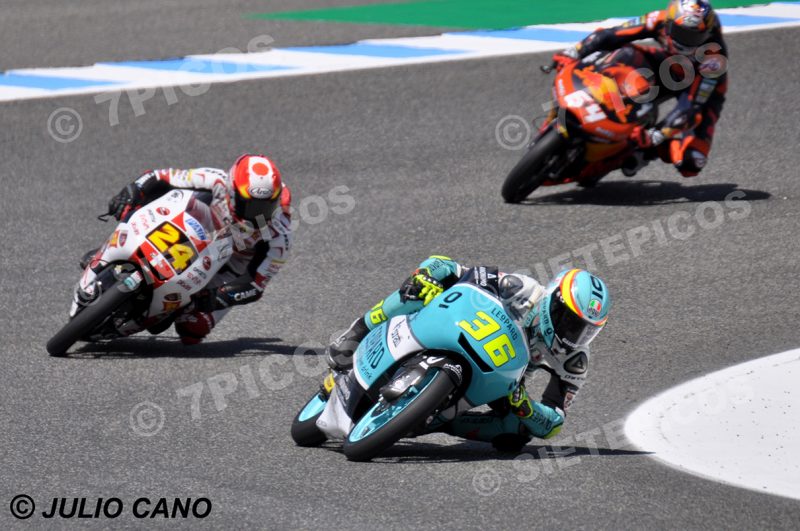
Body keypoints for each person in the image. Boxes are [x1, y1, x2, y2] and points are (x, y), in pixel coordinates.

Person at [325, 256, 612, 451]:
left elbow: (554, 423)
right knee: (418, 288)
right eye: (572, 323)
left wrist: (526, 407)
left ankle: (436, 420)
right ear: (553, 301)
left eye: (587, 331)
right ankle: (357, 332)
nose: (575, 336)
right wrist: (429, 274)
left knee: (518, 433)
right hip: (462, 328)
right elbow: (453, 267)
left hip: (503, 379)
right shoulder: (522, 290)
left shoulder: (574, 360)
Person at [104, 154, 292, 345]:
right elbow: (160, 176)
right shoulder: (216, 179)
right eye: (251, 206)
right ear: (232, 192)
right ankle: (120, 246)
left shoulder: (279, 234)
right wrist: (133, 190)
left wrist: (217, 298)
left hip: (230, 266)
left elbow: (255, 285)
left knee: (193, 328)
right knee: (151, 200)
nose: (258, 214)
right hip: (200, 227)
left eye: (266, 207)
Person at [552, 0, 727, 179]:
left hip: (700, 92)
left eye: (694, 37)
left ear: (707, 33)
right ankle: (595, 94)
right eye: (680, 32)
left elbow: (691, 107)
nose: (686, 41)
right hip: (667, 65)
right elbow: (611, 34)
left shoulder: (714, 60)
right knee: (625, 53)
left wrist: (657, 135)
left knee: (692, 161)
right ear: (669, 23)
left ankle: (642, 154)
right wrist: (573, 52)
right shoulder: (658, 19)